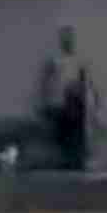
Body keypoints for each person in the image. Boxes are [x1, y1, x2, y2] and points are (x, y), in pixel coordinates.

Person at [40, 24, 88, 170]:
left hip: (75, 100)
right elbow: (48, 80)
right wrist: (47, 97)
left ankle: (76, 159)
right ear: (62, 41)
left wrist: (82, 93)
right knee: (64, 132)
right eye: (66, 39)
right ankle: (67, 159)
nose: (68, 42)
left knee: (76, 131)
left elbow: (83, 80)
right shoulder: (56, 60)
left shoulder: (78, 60)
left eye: (70, 39)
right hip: (62, 102)